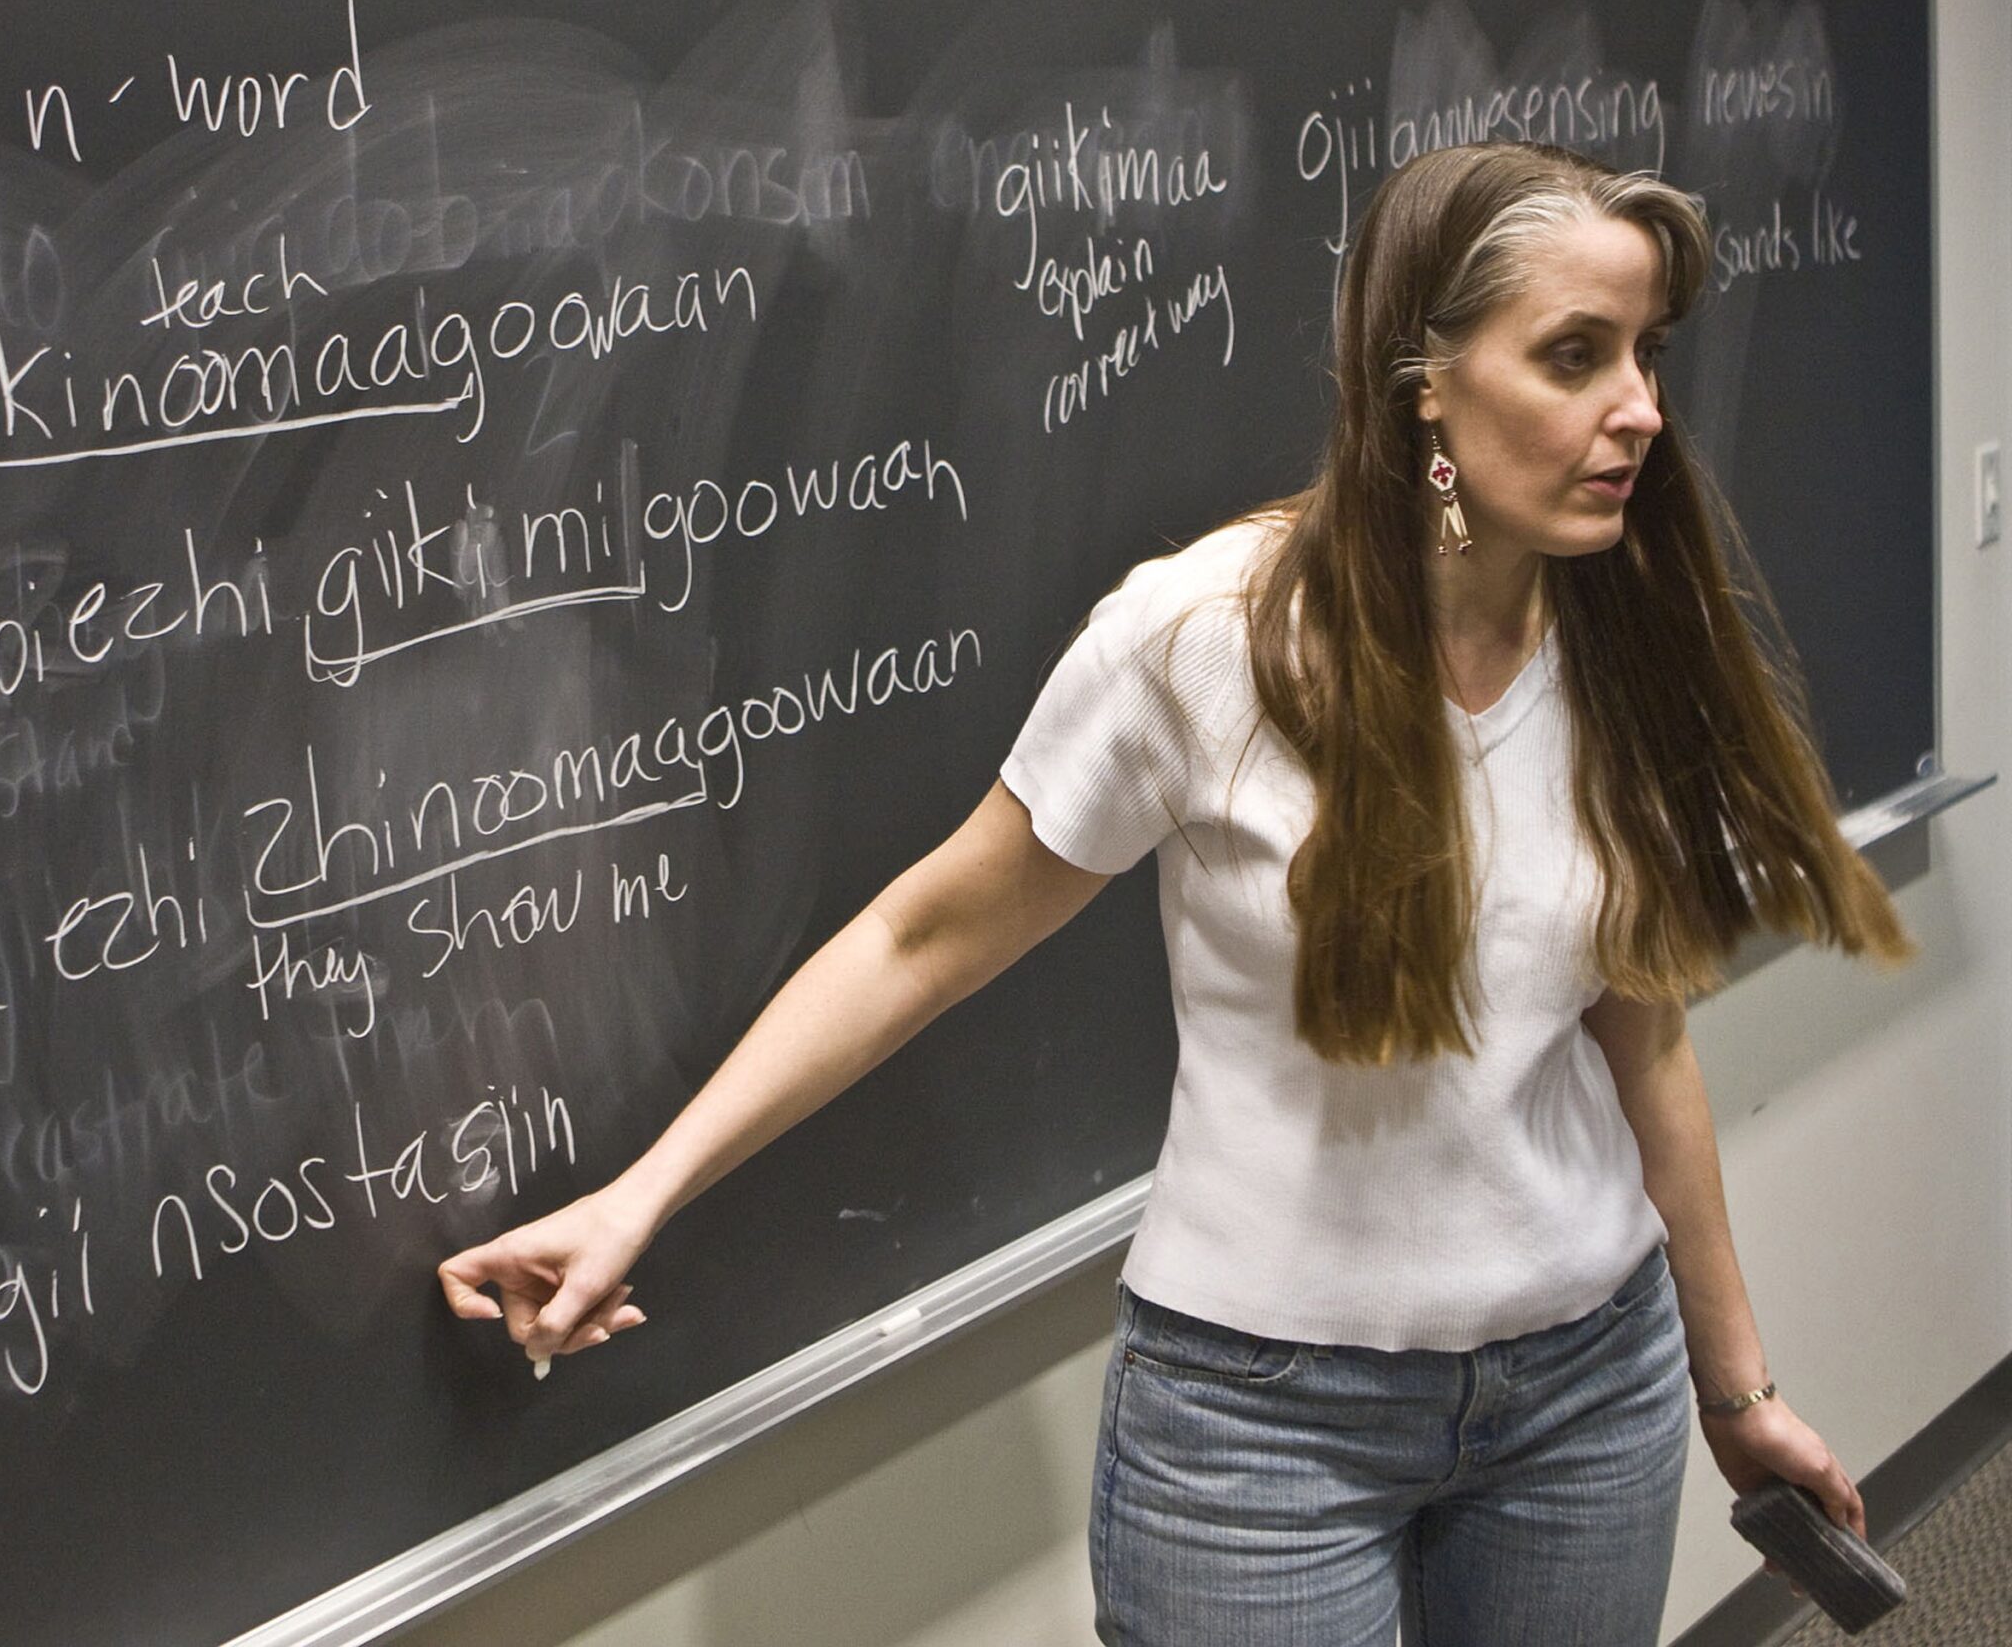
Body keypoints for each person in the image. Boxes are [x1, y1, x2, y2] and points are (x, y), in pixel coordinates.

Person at [437, 141, 1913, 1644]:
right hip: (1261, 1433)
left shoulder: (1621, 639)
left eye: (1648, 354)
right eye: (1574, 356)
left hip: (1586, 1396)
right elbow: (921, 936)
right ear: (1424, 380)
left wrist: (1740, 1392)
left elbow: (1644, 1039)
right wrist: (643, 1195)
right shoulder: (1206, 638)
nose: (1641, 413)